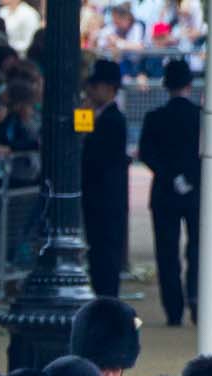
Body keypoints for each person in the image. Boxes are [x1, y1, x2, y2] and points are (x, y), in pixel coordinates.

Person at [138, 59, 202, 327]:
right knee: (198, 249)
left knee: (167, 253)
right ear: (189, 84)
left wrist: (170, 175)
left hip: (164, 190)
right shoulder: (202, 116)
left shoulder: (155, 117)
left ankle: (173, 309)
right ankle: (198, 301)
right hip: (196, 191)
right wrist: (189, 177)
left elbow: (147, 153)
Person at [79, 58, 130, 299]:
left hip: (106, 199)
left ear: (109, 88)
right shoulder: (101, 116)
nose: (90, 90)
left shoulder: (113, 120)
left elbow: (89, 148)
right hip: (98, 197)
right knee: (98, 252)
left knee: (105, 254)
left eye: (95, 85)